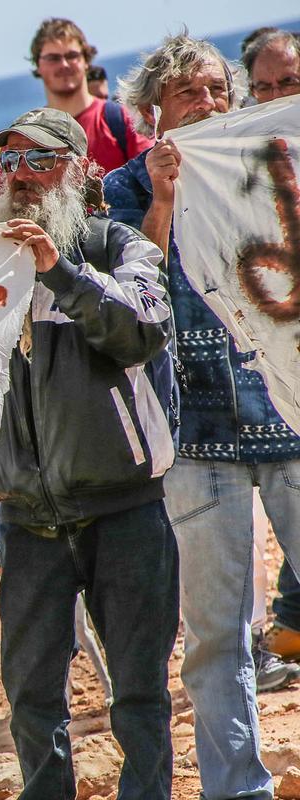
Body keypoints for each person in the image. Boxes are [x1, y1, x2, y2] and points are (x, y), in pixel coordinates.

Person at [104, 33, 299, 800]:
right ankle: (236, 789)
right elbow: (133, 292)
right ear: (155, 109)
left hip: (288, 416)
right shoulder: (125, 187)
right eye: (190, 92)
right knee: (217, 636)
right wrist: (162, 199)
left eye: (218, 89)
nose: (209, 103)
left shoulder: (272, 165)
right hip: (194, 436)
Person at [0, 107, 178, 797]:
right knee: (33, 704)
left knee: (139, 698)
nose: (22, 176)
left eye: (41, 160)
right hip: (27, 523)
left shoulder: (117, 245)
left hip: (124, 513)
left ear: (80, 171)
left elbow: (143, 327)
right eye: (9, 160)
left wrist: (58, 269)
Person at [240, 28, 300, 662]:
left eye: (290, 82)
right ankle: (287, 626)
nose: (278, 95)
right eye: (265, 86)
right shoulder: (236, 163)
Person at [29, 18, 153, 174]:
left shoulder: (120, 119)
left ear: (86, 61)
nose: (64, 64)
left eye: (72, 55)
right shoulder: (29, 135)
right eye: (53, 58)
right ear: (37, 65)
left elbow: (154, 182)